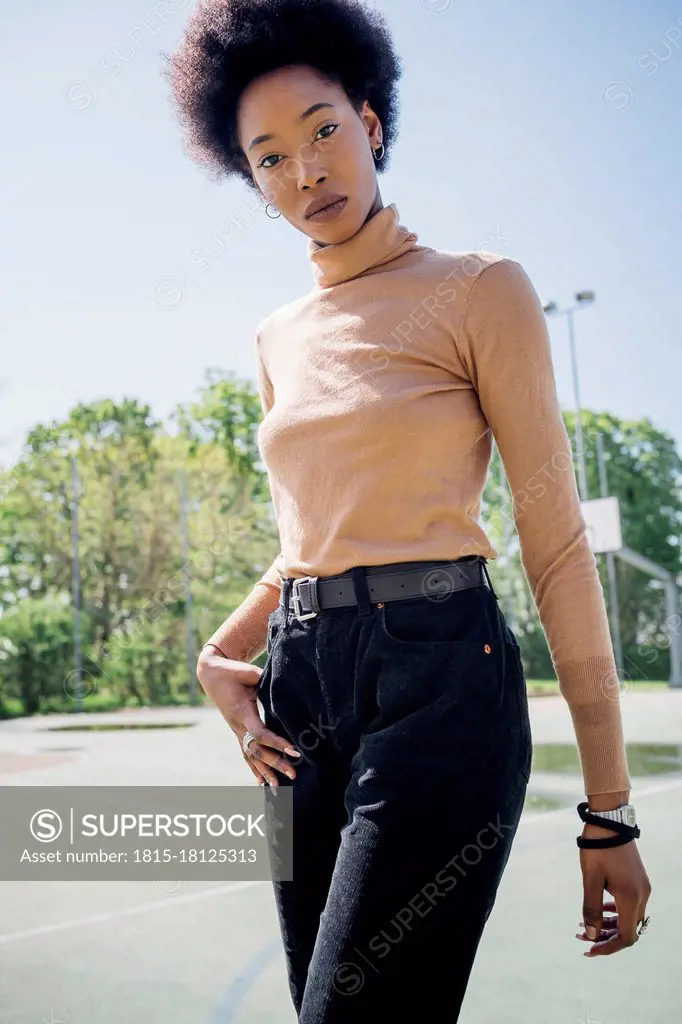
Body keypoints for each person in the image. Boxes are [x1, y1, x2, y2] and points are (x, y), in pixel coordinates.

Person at [168, 1, 651, 1019]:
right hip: (301, 696)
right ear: (250, 181)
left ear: (371, 120)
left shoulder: (480, 288)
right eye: (269, 157)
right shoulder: (274, 338)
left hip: (440, 677)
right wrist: (226, 649)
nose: (305, 172)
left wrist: (607, 808)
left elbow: (556, 540)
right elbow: (313, 536)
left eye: (323, 130)